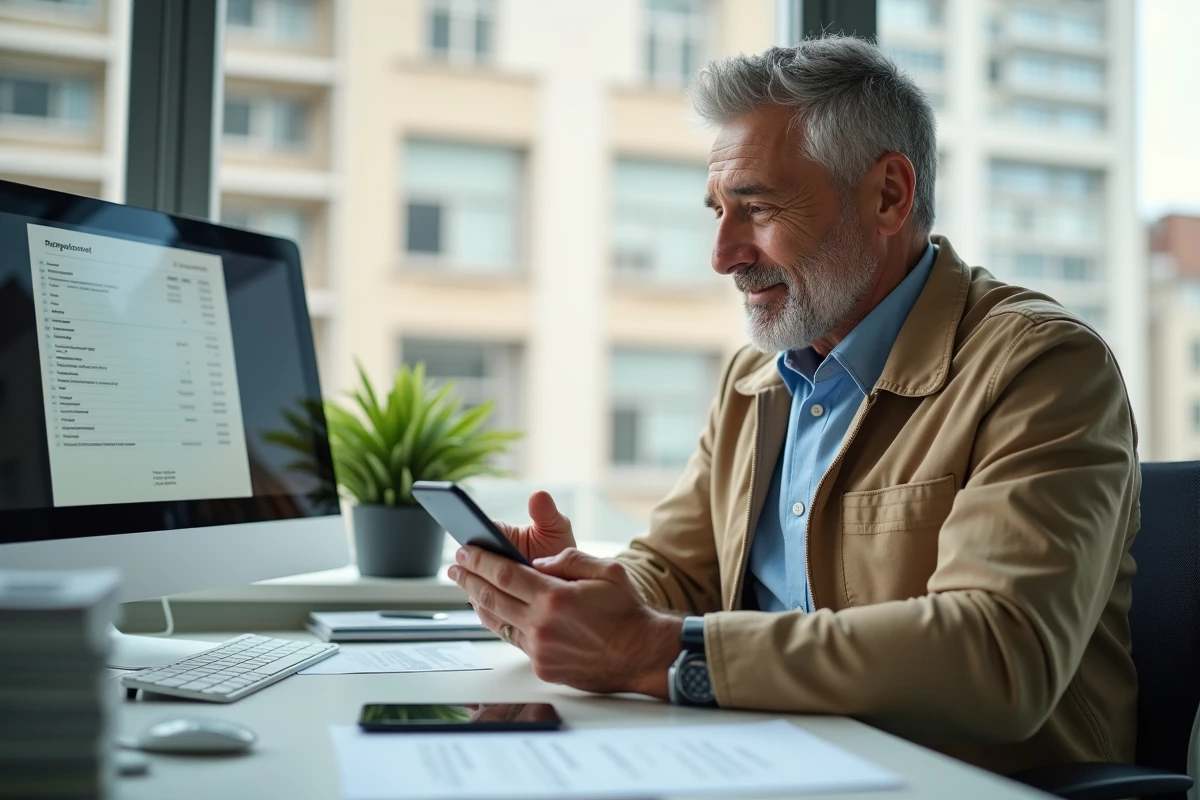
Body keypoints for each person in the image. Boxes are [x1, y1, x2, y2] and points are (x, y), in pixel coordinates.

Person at [447, 36, 1138, 776]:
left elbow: (999, 654)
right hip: (772, 762)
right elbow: (677, 574)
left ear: (888, 196)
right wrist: (573, 593)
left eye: (757, 207)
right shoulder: (757, 380)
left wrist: (656, 651)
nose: (723, 254)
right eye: (717, 210)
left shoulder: (1040, 365)